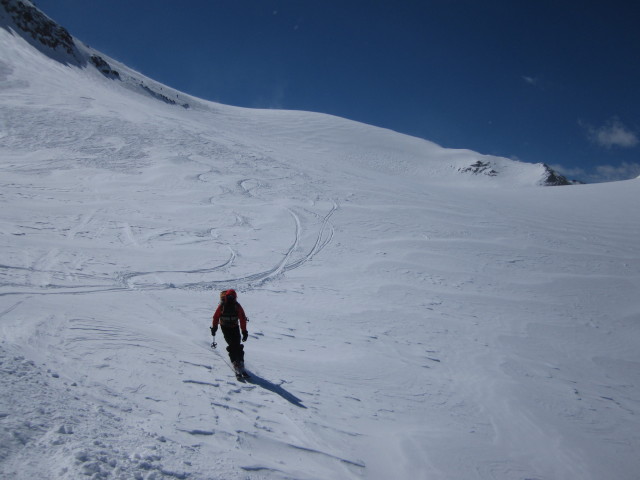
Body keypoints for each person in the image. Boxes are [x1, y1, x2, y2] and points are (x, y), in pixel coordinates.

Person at [211, 289, 249, 372]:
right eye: (229, 296)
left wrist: (244, 331)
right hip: (225, 328)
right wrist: (214, 328)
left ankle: (240, 360)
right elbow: (216, 317)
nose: (231, 298)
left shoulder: (237, 306)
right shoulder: (222, 306)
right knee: (232, 344)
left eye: (232, 297)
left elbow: (242, 319)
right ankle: (235, 361)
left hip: (235, 327)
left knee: (237, 344)